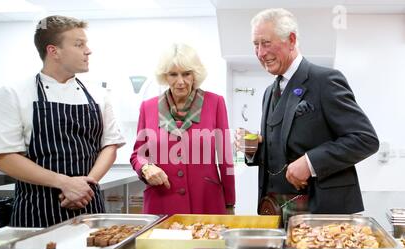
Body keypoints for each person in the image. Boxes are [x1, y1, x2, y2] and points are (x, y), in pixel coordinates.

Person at [235, 8, 379, 225]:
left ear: (291, 40)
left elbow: (365, 139)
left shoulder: (325, 81)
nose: (260, 53)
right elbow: (280, 150)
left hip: (322, 213)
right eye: (256, 44)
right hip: (277, 213)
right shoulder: (268, 92)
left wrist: (311, 162)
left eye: (266, 43)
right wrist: (254, 149)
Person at [0, 15, 125, 227]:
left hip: (89, 205)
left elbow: (110, 145)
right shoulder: (15, 92)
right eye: (79, 44)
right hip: (36, 213)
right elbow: (5, 157)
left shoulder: (98, 93)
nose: (88, 50)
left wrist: (84, 186)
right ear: (54, 51)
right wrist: (65, 183)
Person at [130, 43, 235, 215]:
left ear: (195, 75)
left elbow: (225, 157)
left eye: (186, 74)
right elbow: (138, 155)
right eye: (173, 74)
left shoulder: (215, 103)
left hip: (206, 201)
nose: (180, 81)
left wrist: (230, 203)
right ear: (165, 76)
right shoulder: (148, 107)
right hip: (161, 201)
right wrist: (146, 167)